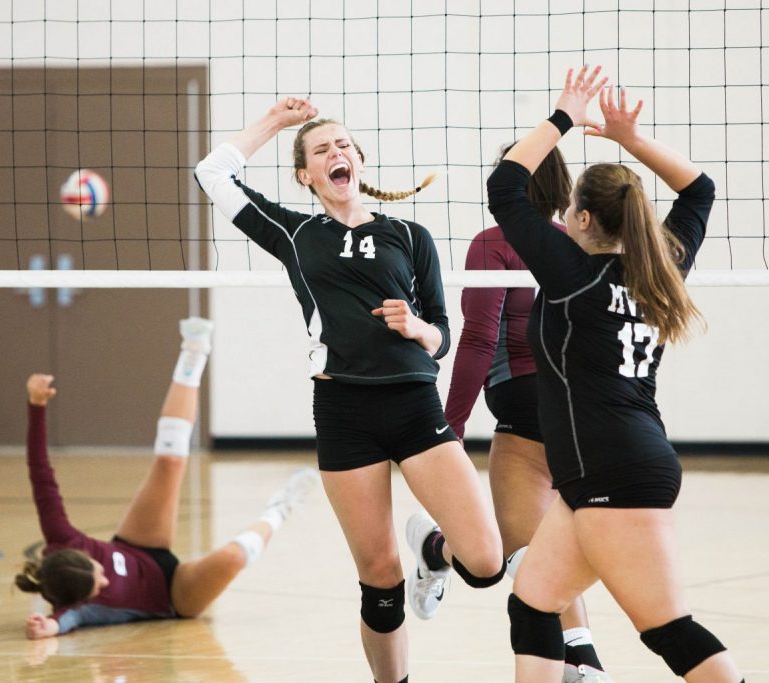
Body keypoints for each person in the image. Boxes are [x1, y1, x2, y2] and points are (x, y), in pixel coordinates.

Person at [195, 99, 504, 683]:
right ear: (305, 175)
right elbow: (212, 173)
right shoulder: (294, 233)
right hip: (344, 411)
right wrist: (277, 122)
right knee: (380, 578)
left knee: (486, 562)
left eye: (343, 145)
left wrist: (418, 329)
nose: (336, 152)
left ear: (359, 161)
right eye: (321, 149)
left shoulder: (409, 235)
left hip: (414, 404)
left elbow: (442, 335)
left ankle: (432, 551)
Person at [488, 66, 745, 683]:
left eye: (573, 209)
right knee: (533, 604)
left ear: (580, 220)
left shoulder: (572, 274)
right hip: (609, 466)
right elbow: (700, 191)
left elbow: (505, 186)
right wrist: (630, 140)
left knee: (667, 630)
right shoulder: (662, 268)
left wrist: (564, 117)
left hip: (613, 471)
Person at [15, 317, 317, 638]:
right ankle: (281, 508)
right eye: (98, 587)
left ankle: (194, 350)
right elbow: (63, 621)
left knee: (170, 461)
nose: (105, 581)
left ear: (79, 555)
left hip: (138, 546)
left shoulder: (61, 535)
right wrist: (46, 627)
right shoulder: (77, 607)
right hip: (173, 595)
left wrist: (36, 406)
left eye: (98, 572)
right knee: (231, 558)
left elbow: (40, 473)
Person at [446, 147, 613, 683]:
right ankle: (583, 658)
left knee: (521, 556)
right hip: (585, 410)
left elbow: (478, 339)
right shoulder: (579, 245)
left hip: (525, 405)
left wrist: (449, 429)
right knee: (549, 547)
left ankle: (582, 662)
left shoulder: (494, 242)